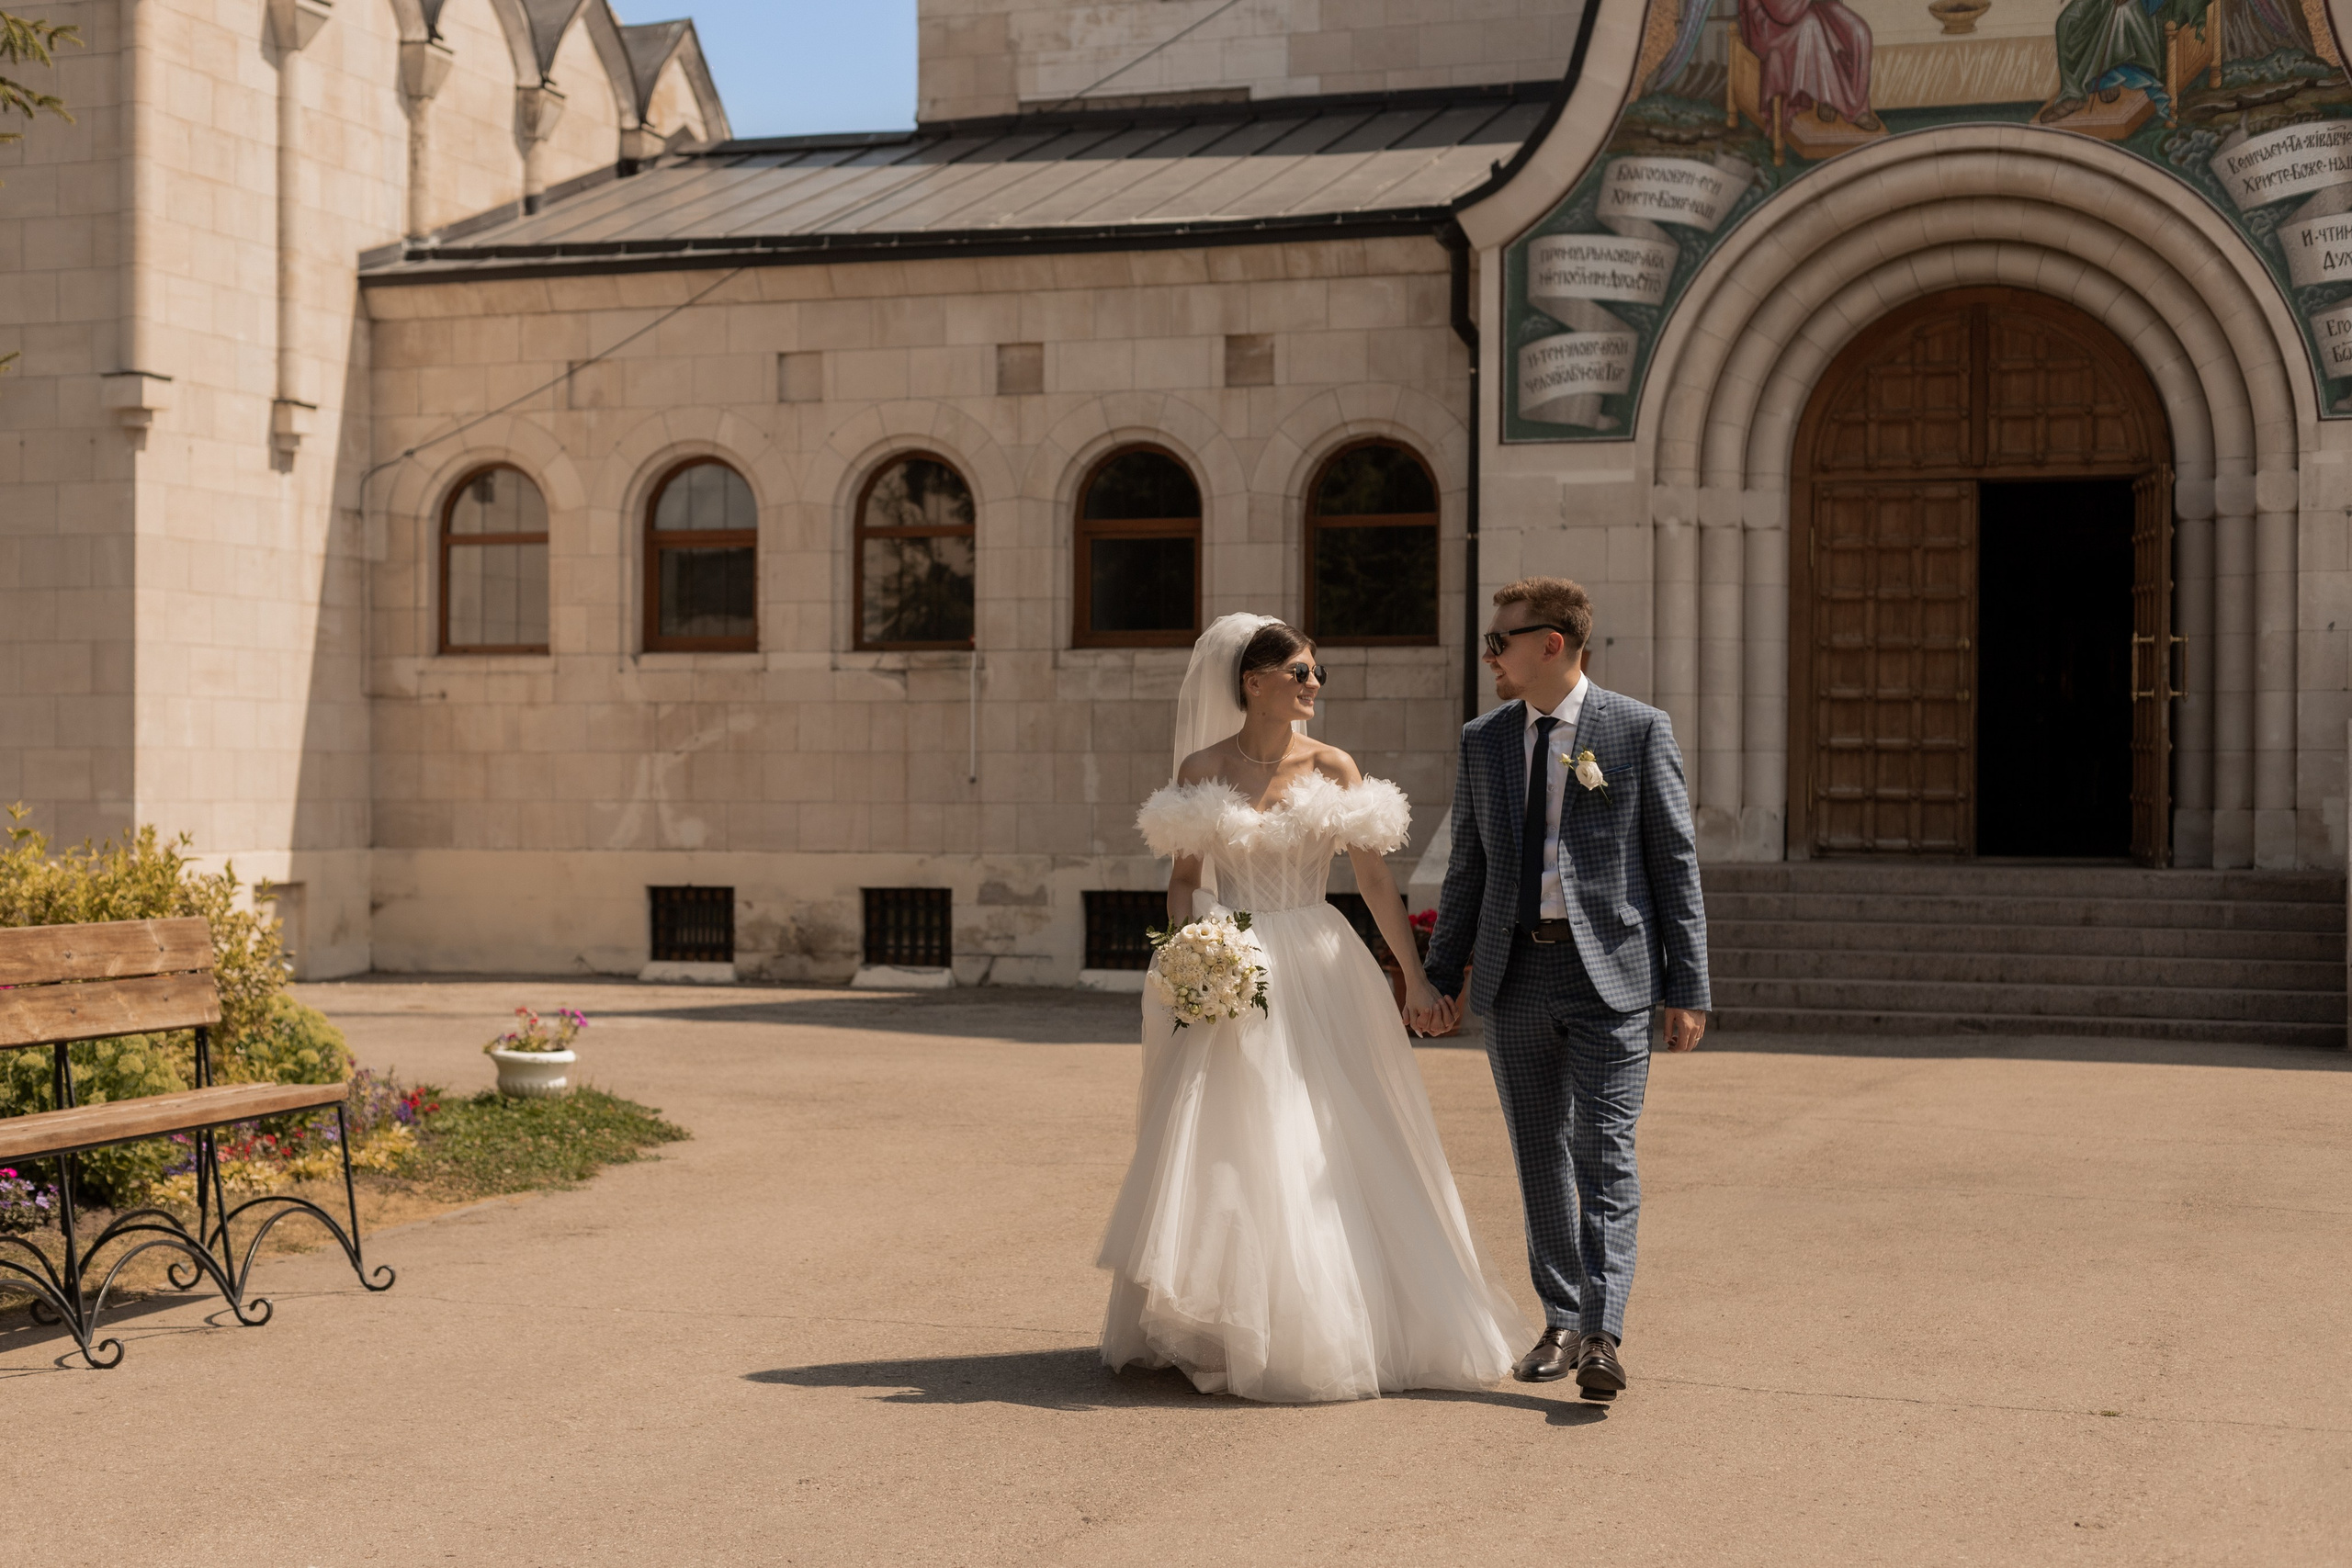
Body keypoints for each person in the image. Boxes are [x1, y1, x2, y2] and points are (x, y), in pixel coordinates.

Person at [1097, 613, 1523, 1403]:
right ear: (1253, 681)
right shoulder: (1202, 766)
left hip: (1323, 961)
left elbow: (1373, 880)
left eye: (1317, 672)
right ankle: (1227, 1322)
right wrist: (1192, 950)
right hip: (1236, 964)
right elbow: (1185, 879)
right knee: (1239, 1135)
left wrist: (1415, 977)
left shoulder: (1333, 764)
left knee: (1331, 1130)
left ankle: (1339, 1322)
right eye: (1299, 672)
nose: (1313, 684)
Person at [1414, 578, 1711, 1404]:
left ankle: (1602, 1333)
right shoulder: (1483, 740)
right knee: (1540, 1154)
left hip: (1610, 974)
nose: (1489, 655)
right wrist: (1440, 974)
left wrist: (1687, 985)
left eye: (1500, 640)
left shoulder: (1638, 729)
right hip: (1515, 975)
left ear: (1552, 643)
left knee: (1604, 1151)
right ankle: (1560, 1318)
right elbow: (1468, 865)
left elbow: (1674, 861)